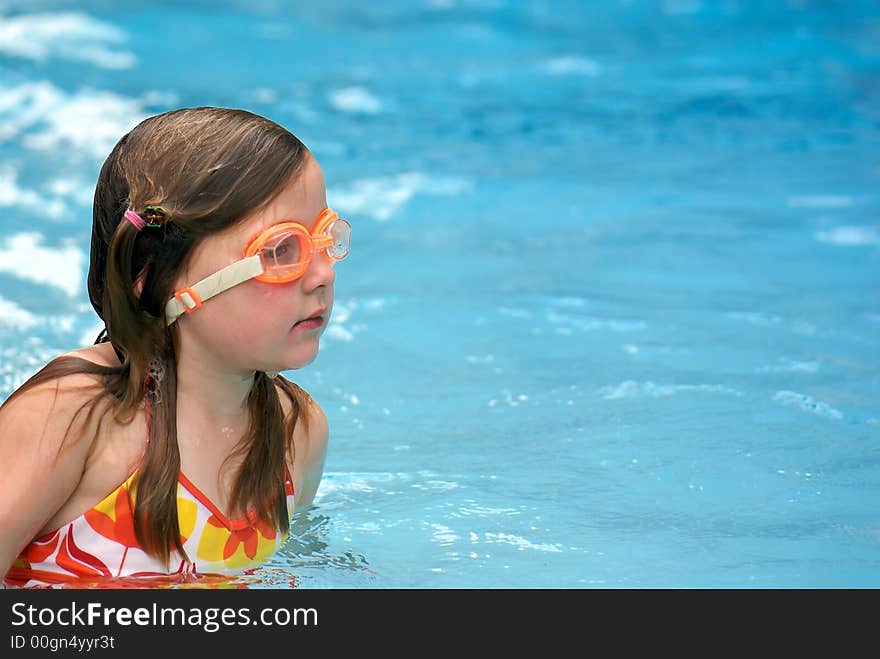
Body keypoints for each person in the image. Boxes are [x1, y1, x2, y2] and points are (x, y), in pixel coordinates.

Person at [0, 107, 350, 588]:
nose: (324, 274)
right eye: (280, 252)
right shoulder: (74, 418)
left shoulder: (296, 432)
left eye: (323, 240)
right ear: (152, 279)